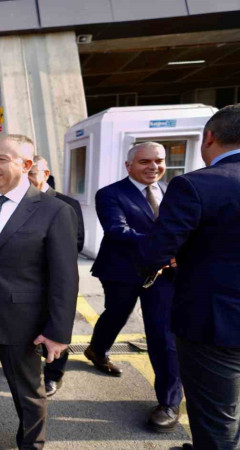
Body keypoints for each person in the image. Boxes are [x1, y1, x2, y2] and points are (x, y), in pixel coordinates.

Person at [0, 134, 78, 449]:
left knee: (28, 393)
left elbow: (64, 278)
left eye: (2, 159)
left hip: (22, 322)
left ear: (27, 165)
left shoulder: (54, 211)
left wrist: (58, 331)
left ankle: (32, 444)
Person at [139, 104, 240, 450]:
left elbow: (156, 251)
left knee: (216, 419)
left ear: (208, 137)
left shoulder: (196, 185)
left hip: (216, 324)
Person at [87, 141, 182, 432]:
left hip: (164, 275)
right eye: (145, 162)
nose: (154, 167)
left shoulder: (176, 191)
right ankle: (96, 350)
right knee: (116, 315)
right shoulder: (110, 194)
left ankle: (168, 402)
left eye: (159, 161)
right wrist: (165, 249)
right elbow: (118, 231)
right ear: (129, 166)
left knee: (163, 333)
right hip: (121, 271)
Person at [27, 156, 84, 398]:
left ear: (46, 173)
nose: (27, 179)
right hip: (25, 282)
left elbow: (77, 242)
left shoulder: (66, 204)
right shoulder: (17, 202)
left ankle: (53, 376)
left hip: (54, 279)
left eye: (32, 173)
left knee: (57, 326)